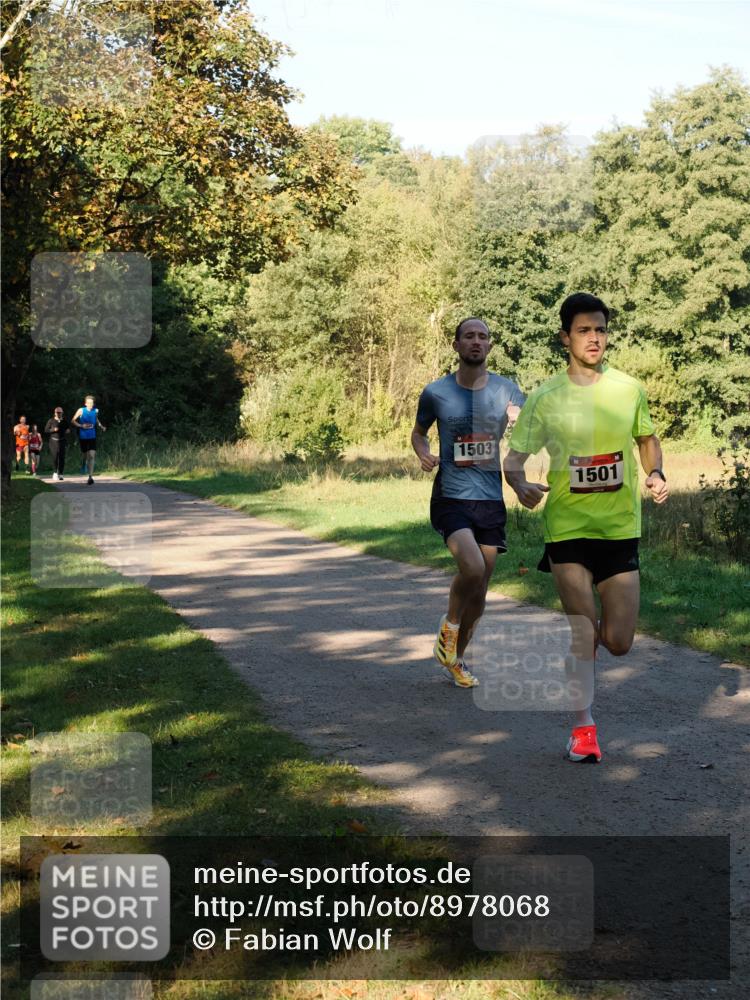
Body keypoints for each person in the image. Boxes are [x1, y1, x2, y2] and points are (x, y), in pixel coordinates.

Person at [504, 292, 668, 763]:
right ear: (565, 338)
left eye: (600, 329)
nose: (594, 338)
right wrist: (519, 486)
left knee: (617, 641)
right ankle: (583, 728)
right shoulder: (545, 397)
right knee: (582, 628)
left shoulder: (628, 388)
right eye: (583, 330)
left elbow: (647, 438)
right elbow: (513, 461)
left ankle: (582, 658)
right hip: (568, 529)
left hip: (619, 528)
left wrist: (655, 473)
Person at [412, 317, 525, 688]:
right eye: (469, 336)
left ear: (490, 346)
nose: (476, 342)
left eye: (483, 337)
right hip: (451, 496)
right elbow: (419, 433)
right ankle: (450, 625)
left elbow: (526, 426)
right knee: (472, 569)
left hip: (490, 498)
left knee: (480, 590)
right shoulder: (435, 392)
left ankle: (456, 659)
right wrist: (424, 453)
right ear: (457, 345)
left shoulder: (508, 390)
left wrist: (521, 422)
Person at [72, 394, 106, 485]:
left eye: (92, 403)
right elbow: (73, 420)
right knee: (85, 455)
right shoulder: (81, 410)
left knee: (91, 455)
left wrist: (101, 426)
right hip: (83, 436)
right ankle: (83, 463)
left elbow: (96, 419)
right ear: (85, 404)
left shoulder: (95, 411)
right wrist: (81, 425)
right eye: (89, 403)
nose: (91, 404)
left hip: (92, 436)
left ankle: (90, 477)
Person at [45, 406, 71, 481]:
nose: (59, 414)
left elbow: (68, 429)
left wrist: (68, 431)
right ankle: (55, 473)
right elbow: (46, 430)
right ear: (55, 413)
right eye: (57, 412)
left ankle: (61, 473)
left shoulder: (64, 421)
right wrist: (53, 429)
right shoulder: (51, 420)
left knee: (62, 457)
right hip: (53, 441)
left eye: (60, 412)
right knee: (55, 457)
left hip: (62, 441)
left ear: (62, 413)